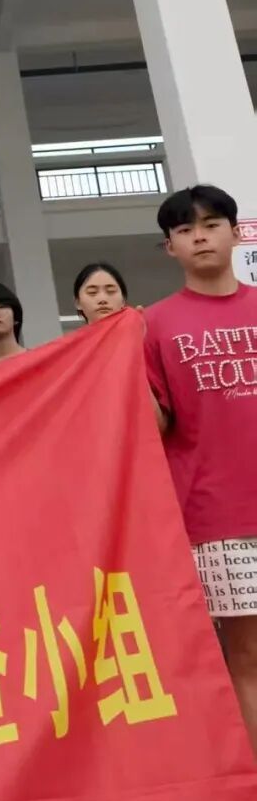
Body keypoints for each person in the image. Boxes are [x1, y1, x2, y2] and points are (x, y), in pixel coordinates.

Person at [144, 184, 257, 756]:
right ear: (171, 248)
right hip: (216, 517)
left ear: (236, 233)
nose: (200, 237)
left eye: (211, 224)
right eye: (185, 230)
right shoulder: (154, 325)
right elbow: (157, 422)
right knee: (246, 655)